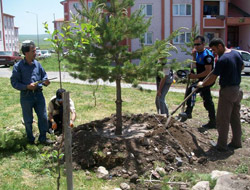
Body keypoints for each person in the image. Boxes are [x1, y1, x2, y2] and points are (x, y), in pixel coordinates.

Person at [197, 38, 244, 151]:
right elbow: (241, 67)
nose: (214, 53)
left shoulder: (223, 59)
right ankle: (237, 142)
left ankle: (221, 146)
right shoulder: (236, 54)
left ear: (220, 46)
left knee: (223, 119)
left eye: (214, 50)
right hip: (237, 90)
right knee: (235, 117)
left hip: (227, 91)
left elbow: (212, 78)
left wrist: (202, 84)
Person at [10, 40, 53, 145]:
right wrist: (26, 87)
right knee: (28, 119)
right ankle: (30, 139)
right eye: (33, 51)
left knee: (43, 117)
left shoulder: (37, 64)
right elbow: (14, 82)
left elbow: (44, 76)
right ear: (26, 53)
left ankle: (43, 138)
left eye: (35, 51)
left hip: (39, 95)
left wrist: (46, 81)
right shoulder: (18, 66)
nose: (35, 53)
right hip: (26, 96)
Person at [183, 35, 216, 129]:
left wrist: (195, 76)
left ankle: (188, 111)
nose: (196, 46)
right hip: (201, 79)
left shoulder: (207, 55)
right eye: (194, 44)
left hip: (208, 79)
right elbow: (195, 64)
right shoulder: (197, 53)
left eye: (198, 44)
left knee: (192, 89)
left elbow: (208, 72)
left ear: (203, 44)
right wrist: (193, 58)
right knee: (207, 99)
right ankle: (213, 121)